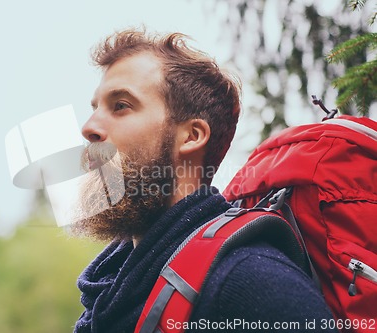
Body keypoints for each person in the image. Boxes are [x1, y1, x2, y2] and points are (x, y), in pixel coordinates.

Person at [71, 28, 337, 333]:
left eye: (120, 105)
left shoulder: (249, 280)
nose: (89, 127)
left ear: (191, 136)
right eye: (95, 108)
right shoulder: (107, 291)